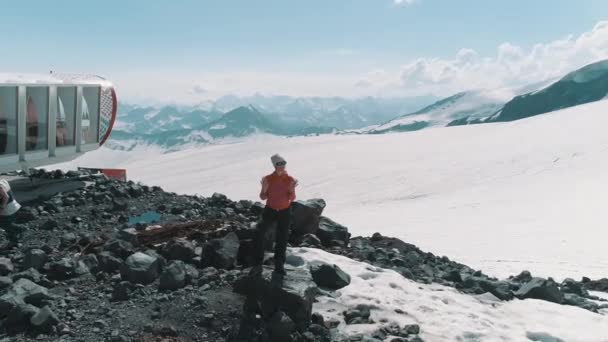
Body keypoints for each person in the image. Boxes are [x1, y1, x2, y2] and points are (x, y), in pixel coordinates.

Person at [250, 154, 298, 279]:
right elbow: (263, 197)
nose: (281, 166)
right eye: (279, 163)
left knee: (282, 238)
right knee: (260, 233)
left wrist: (292, 190)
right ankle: (257, 263)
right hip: (270, 210)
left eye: (283, 163)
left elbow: (292, 198)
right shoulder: (268, 179)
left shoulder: (290, 179)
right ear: (274, 165)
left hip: (284, 211)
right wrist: (264, 188)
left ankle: (279, 264)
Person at [0, 178, 21, 245]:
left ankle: (21, 230)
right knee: (7, 224)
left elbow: (6, 197)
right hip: (14, 206)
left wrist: (1, 208)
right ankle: (14, 241)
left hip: (8, 209)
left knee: (5, 224)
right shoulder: (3, 180)